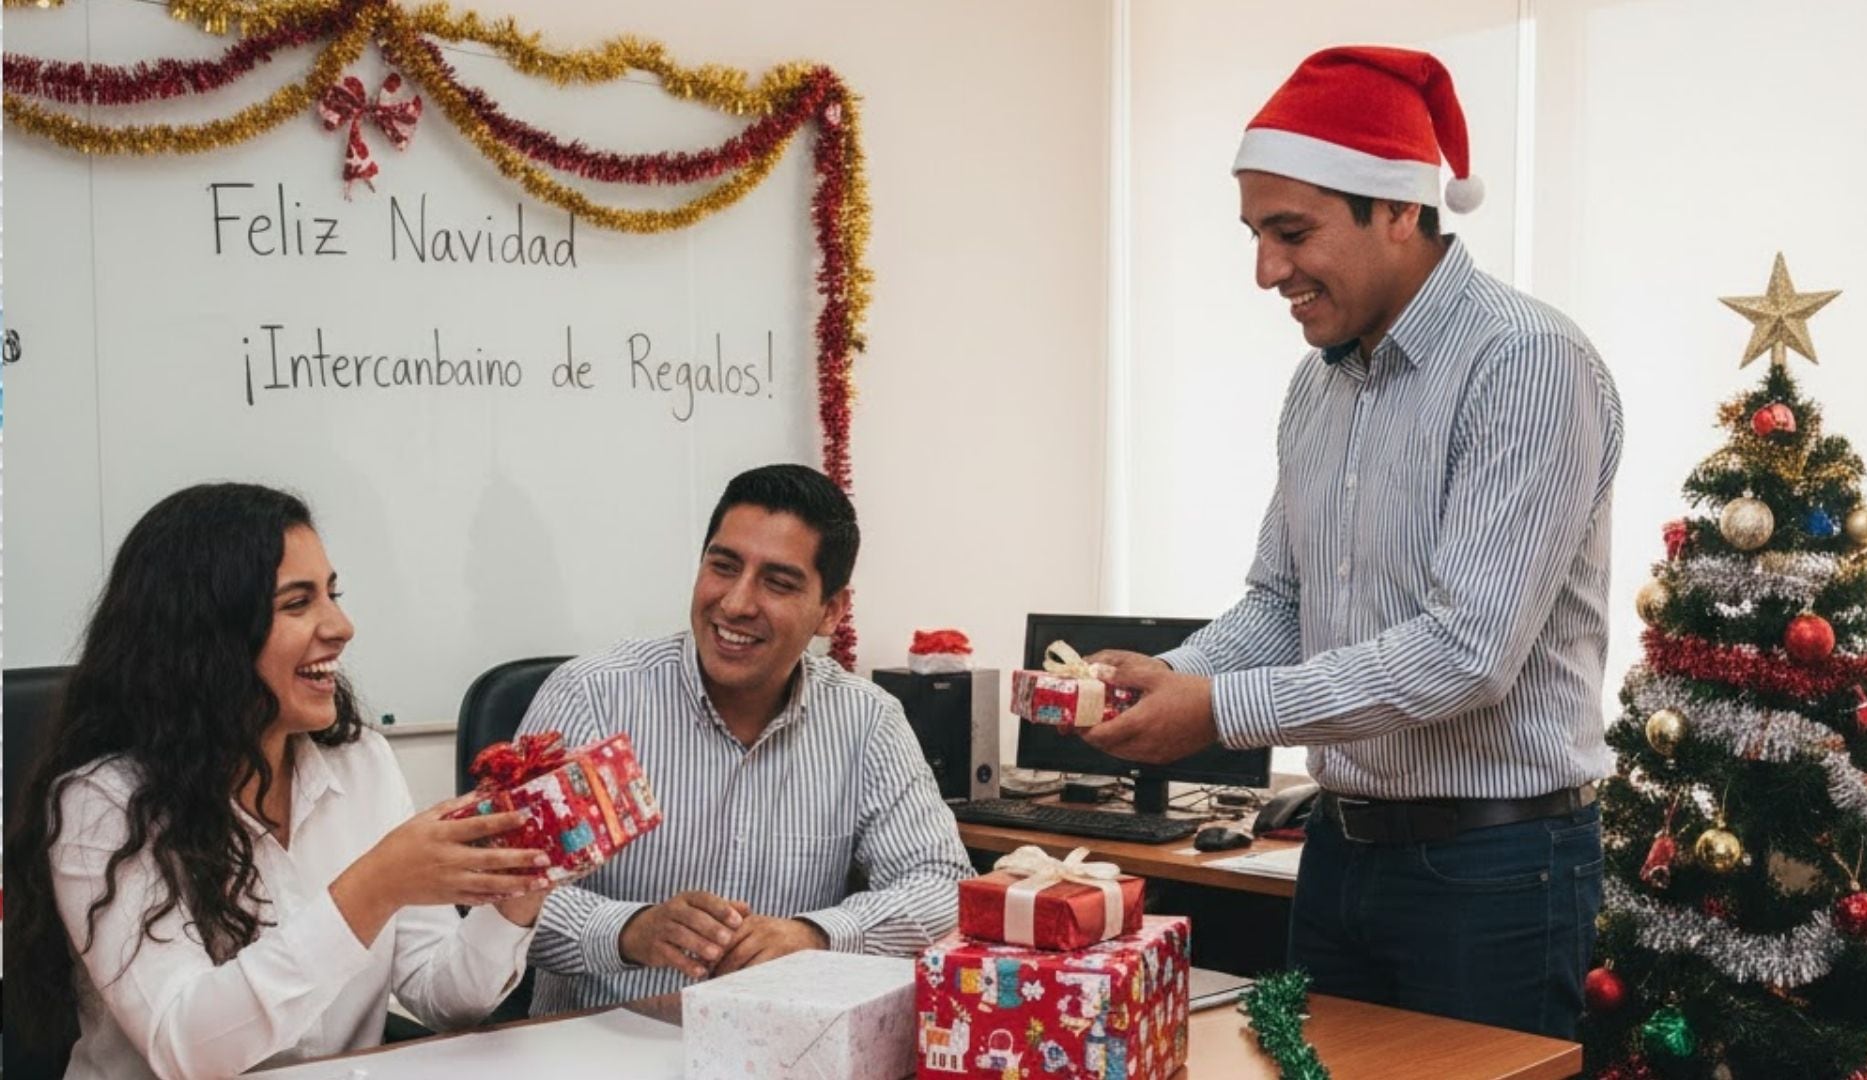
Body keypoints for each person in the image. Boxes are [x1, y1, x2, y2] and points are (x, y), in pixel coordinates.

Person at [1082, 46, 1623, 1039]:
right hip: (1339, 850)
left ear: (1401, 210)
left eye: (1292, 231)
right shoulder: (1317, 385)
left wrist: (1216, 710)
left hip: (1496, 870)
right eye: (1254, 233)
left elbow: (1467, 654)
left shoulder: (1528, 365)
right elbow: (1280, 604)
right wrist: (1169, 678)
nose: (1265, 270)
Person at [3, 483, 551, 1080]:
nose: (341, 626)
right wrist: (374, 887)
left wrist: (520, 891)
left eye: (332, 594)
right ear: (204, 636)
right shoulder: (102, 803)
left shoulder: (361, 760)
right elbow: (187, 1048)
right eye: (297, 603)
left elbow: (444, 998)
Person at [516, 463, 973, 1014]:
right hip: (601, 1043)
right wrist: (629, 930)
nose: (735, 603)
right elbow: (495, 902)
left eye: (778, 583)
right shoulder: (594, 697)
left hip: (781, 1046)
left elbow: (942, 886)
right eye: (723, 567)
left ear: (831, 611)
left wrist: (816, 935)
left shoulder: (866, 718)